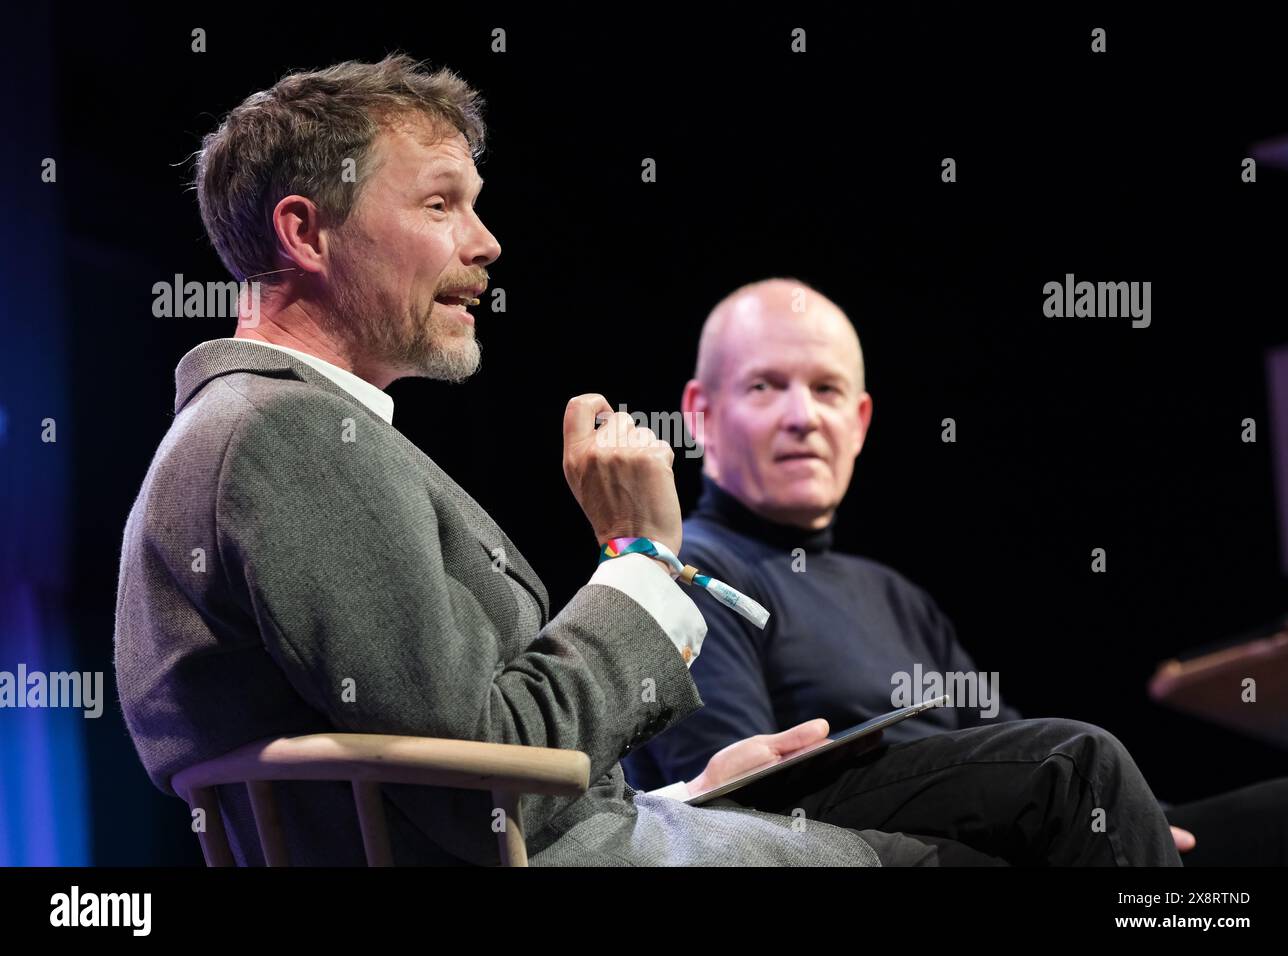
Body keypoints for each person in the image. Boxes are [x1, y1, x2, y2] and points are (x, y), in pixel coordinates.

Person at [114, 56, 1180, 867]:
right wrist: (640, 556)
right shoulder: (285, 434)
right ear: (307, 231)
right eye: (441, 204)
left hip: (591, 837)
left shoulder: (277, 429)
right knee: (1040, 797)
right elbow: (478, 774)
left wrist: (679, 799)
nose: (486, 243)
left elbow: (463, 758)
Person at [622, 277, 1288, 865]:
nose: (803, 417)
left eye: (826, 389)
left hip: (1023, 827)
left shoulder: (893, 594)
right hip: (886, 849)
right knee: (1080, 766)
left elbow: (1005, 743)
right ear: (700, 415)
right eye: (766, 386)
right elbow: (733, 811)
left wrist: (1128, 811)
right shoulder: (693, 574)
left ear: (859, 422)